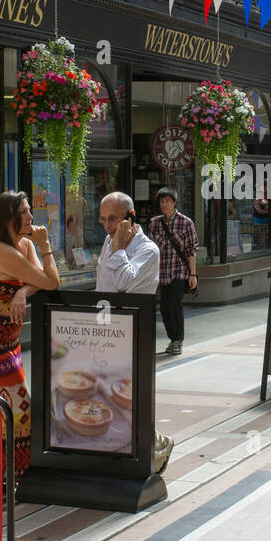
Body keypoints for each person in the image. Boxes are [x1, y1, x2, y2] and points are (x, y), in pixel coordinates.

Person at [0, 190, 60, 487]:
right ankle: (7, 479)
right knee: (16, 418)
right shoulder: (4, 253)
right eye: (26, 212)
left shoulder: (14, 246)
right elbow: (52, 281)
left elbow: (33, 279)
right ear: (9, 219)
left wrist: (22, 291)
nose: (32, 217)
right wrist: (47, 246)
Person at [96, 191, 173, 472]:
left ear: (130, 218)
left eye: (113, 219)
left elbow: (123, 284)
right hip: (106, 329)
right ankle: (121, 450)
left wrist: (118, 248)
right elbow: (104, 285)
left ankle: (157, 445)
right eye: (103, 220)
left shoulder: (148, 250)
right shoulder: (109, 241)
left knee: (128, 396)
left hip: (134, 332)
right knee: (110, 394)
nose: (107, 226)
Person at [149, 187, 198, 355]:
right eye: (162, 202)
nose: (164, 204)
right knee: (163, 307)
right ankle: (172, 338)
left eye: (167, 201)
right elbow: (150, 249)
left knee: (174, 304)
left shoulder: (186, 222)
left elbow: (191, 250)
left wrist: (193, 274)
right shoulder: (155, 223)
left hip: (180, 270)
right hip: (162, 272)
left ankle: (178, 339)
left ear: (174, 202)